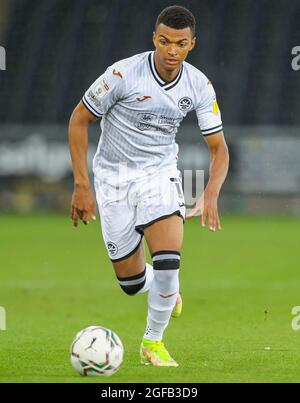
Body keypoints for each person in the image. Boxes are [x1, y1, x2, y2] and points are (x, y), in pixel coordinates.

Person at [68, 5, 229, 367]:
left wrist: (210, 193)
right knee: (130, 282)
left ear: (192, 44)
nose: (172, 50)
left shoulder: (198, 85)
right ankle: (163, 288)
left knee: (170, 258)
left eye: (181, 43)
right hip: (112, 178)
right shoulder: (123, 74)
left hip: (159, 174)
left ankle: (152, 343)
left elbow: (219, 149)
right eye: (165, 41)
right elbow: (79, 119)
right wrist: (82, 185)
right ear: (154, 39)